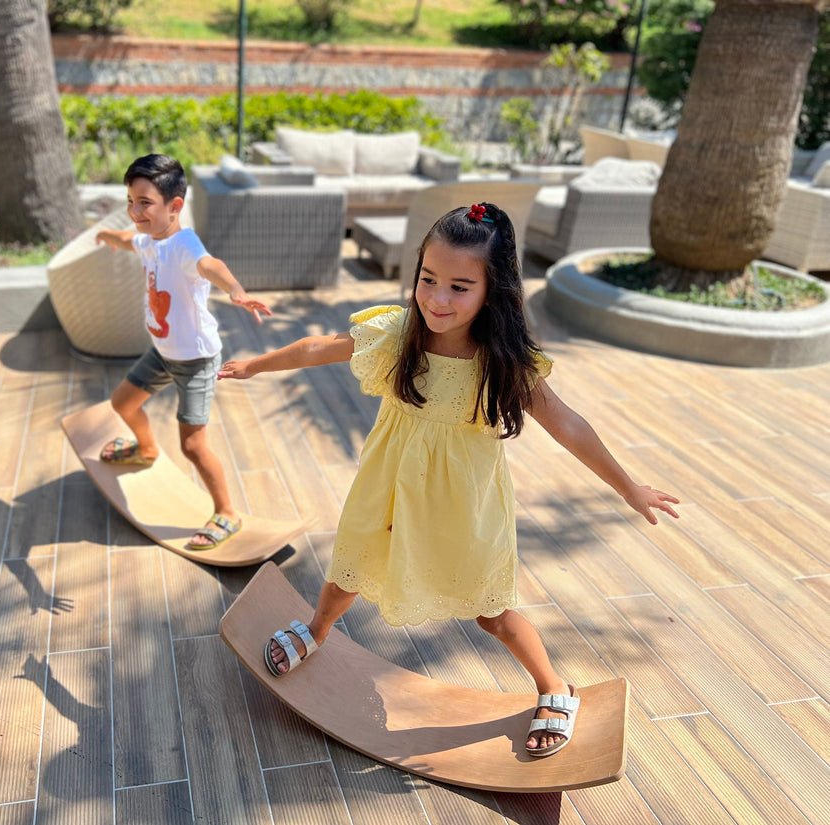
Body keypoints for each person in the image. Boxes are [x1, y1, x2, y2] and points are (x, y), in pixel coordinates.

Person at [218, 202, 679, 757]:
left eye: (460, 287)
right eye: (428, 279)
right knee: (351, 568)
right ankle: (317, 630)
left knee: (492, 613)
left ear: (495, 290)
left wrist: (628, 485)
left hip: (461, 506)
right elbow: (321, 347)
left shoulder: (503, 361)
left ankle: (554, 686)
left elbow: (567, 424)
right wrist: (256, 364)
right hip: (387, 487)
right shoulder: (399, 333)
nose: (437, 298)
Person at [96, 154, 272, 550]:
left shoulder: (184, 243)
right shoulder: (148, 240)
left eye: (144, 202)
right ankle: (145, 448)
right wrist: (105, 237)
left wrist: (236, 291)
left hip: (195, 360)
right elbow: (129, 240)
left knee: (192, 445)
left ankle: (227, 512)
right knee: (122, 403)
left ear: (175, 207)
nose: (134, 211)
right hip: (163, 352)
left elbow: (211, 265)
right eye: (130, 201)